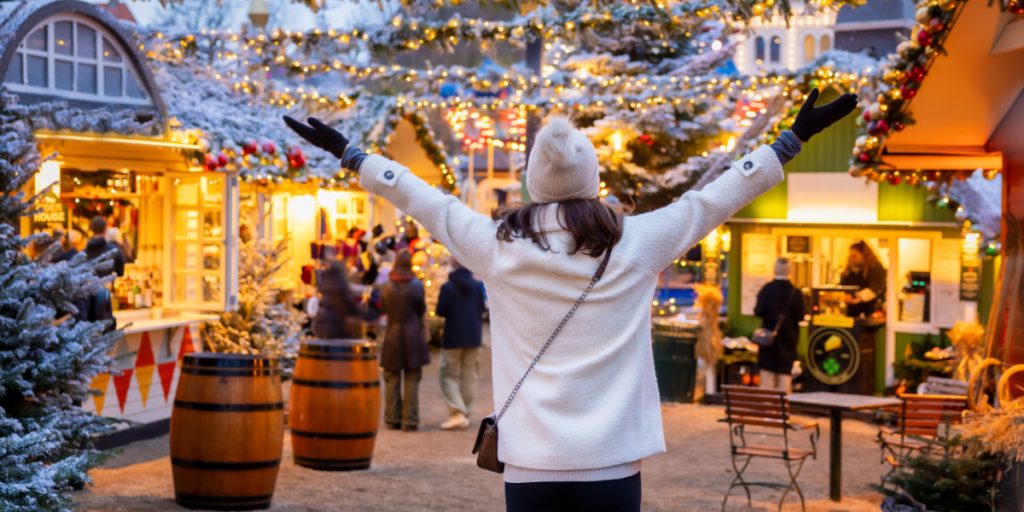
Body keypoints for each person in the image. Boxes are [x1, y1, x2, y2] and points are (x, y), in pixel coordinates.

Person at [286, 88, 856, 512]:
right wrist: (789, 140)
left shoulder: (496, 246)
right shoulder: (637, 240)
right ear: (593, 179)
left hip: (531, 464)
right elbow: (714, 199)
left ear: (535, 181)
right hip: (612, 462)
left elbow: (422, 199)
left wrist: (352, 154)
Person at [379, 251, 430, 431]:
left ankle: (392, 419)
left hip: (392, 334)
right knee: (412, 377)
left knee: (391, 377)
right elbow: (421, 309)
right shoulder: (417, 285)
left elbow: (383, 308)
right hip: (413, 334)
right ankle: (410, 419)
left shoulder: (386, 286)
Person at [436, 258, 487, 430]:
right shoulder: (477, 286)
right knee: (469, 375)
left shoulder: (447, 287)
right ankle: (464, 412)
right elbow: (482, 309)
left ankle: (457, 412)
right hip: (474, 336)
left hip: (453, 337)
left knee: (448, 375)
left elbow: (440, 311)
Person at [753, 257, 804, 393]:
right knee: (784, 382)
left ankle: (767, 412)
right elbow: (800, 316)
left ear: (774, 269)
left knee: (767, 382)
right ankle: (781, 413)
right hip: (788, 342)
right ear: (790, 271)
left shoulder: (767, 290)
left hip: (768, 342)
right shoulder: (796, 293)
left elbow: (758, 311)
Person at [312, 246, 362, 339]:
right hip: (337, 328)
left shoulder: (328, 280)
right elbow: (349, 305)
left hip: (325, 328)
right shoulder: (340, 281)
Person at [841, 240, 887, 319]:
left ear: (864, 255)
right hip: (851, 312)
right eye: (850, 256)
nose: (851, 259)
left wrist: (857, 297)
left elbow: (876, 288)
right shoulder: (848, 270)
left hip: (872, 312)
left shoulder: (875, 267)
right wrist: (844, 296)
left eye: (854, 256)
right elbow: (842, 286)